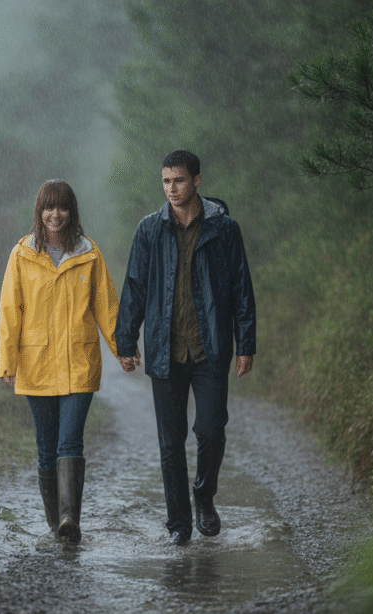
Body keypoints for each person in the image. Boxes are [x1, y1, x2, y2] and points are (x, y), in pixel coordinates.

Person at [115, 150, 256, 545]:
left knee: (211, 430)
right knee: (170, 442)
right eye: (165, 182)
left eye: (178, 180)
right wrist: (125, 340)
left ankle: (204, 496)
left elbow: (241, 290)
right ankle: (178, 524)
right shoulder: (149, 230)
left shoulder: (224, 229)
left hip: (210, 347)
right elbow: (135, 288)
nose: (171, 189)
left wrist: (245, 345)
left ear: (197, 180)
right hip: (164, 350)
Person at [0, 179, 123, 544]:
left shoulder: (89, 253)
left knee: (70, 443)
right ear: (39, 212)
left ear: (72, 212)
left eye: (62, 207)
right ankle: (56, 524)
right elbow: (10, 311)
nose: (55, 214)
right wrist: (6, 360)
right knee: (46, 446)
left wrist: (122, 348)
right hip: (35, 365)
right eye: (48, 207)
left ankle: (69, 520)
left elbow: (107, 307)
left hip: (79, 363)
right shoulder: (21, 254)